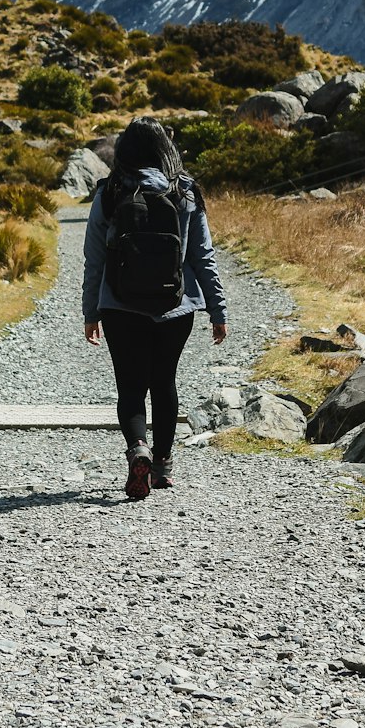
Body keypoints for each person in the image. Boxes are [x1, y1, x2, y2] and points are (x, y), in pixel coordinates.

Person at [82, 117, 228, 500]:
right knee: (164, 382)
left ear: (125, 150)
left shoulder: (109, 191)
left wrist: (90, 312)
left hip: (119, 305)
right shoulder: (186, 191)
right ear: (167, 148)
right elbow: (203, 256)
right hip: (176, 307)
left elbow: (93, 260)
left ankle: (138, 450)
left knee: (130, 385)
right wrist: (217, 310)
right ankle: (162, 466)